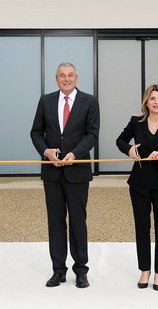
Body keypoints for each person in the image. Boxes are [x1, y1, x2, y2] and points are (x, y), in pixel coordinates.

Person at [30, 62, 100, 289]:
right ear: (56, 78)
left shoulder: (89, 101)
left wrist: (75, 154)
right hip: (52, 172)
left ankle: (81, 270)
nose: (66, 79)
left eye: (70, 75)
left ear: (76, 78)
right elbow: (36, 132)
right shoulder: (46, 101)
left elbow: (92, 134)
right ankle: (58, 270)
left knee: (78, 221)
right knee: (55, 222)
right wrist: (46, 151)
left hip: (77, 171)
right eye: (62, 75)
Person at [116, 84, 158, 291]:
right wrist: (129, 150)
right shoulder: (136, 122)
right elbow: (120, 140)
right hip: (139, 183)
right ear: (146, 102)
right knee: (142, 227)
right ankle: (144, 269)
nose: (156, 102)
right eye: (152, 98)